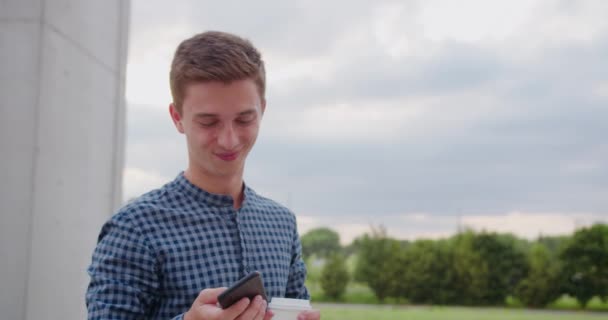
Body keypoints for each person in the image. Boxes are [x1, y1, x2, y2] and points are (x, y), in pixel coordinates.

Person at [86, 31, 321, 320]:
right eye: (209, 122)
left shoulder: (282, 223)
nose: (229, 139)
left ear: (263, 110)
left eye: (244, 119)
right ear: (177, 118)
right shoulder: (135, 228)